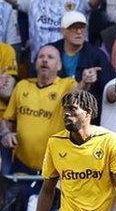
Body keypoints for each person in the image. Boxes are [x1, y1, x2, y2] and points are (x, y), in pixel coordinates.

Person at [0, 45, 86, 173]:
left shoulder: (67, 85)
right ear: (35, 64)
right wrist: (6, 134)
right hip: (22, 165)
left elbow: (78, 93)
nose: (44, 60)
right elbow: (7, 119)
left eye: (50, 57)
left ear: (59, 66)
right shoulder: (22, 86)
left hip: (55, 168)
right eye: (41, 57)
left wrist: (85, 82)